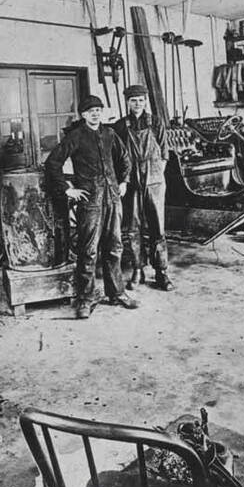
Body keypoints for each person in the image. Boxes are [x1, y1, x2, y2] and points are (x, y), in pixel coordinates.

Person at [45, 95, 139, 319]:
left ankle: (117, 292)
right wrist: (67, 189)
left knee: (115, 247)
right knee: (88, 251)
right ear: (83, 115)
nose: (95, 113)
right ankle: (86, 298)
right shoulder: (76, 136)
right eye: (90, 111)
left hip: (113, 198)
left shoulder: (109, 134)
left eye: (98, 109)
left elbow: (125, 159)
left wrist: (123, 182)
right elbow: (53, 163)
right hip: (90, 201)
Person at [112, 85, 174, 291]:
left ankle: (161, 272)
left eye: (140, 100)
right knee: (132, 226)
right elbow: (118, 157)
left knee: (157, 226)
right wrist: (127, 179)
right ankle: (138, 268)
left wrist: (155, 175)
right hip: (131, 180)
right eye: (133, 100)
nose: (137, 103)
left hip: (154, 178)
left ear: (145, 101)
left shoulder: (156, 122)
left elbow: (164, 152)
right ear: (127, 103)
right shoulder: (120, 125)